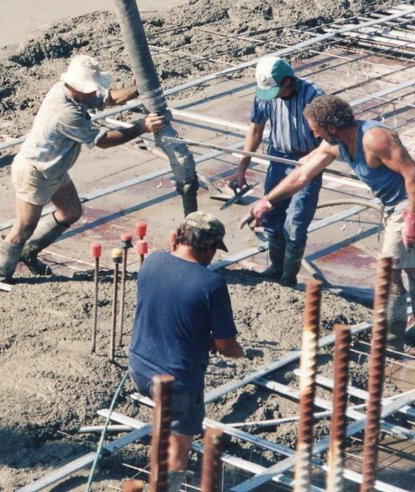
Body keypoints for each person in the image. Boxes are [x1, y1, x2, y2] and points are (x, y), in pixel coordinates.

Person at [242, 94, 415, 349]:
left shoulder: (375, 139)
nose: (315, 137)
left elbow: (412, 173)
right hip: (392, 207)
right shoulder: (335, 144)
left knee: (388, 269)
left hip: (406, 203)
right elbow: (301, 176)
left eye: (316, 131)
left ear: (331, 128)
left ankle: (393, 333)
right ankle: (406, 320)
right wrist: (266, 202)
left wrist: (412, 217)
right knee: (409, 267)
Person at [0, 54, 165, 280]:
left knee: (71, 212)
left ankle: (28, 252)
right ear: (77, 86)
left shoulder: (73, 92)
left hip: (55, 169)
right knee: (23, 228)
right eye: (91, 88)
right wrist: (140, 127)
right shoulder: (65, 112)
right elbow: (103, 141)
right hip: (34, 172)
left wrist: (134, 90)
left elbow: (108, 97)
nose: (94, 92)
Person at [129, 211, 245, 492]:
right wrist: (237, 352)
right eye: (215, 249)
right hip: (178, 381)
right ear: (207, 246)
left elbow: (169, 312)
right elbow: (224, 344)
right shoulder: (211, 284)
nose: (213, 256)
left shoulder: (152, 261)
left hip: (140, 366)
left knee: (162, 426)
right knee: (178, 448)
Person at [233, 55, 324, 286]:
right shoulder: (264, 96)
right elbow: (255, 130)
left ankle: (288, 278)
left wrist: (311, 160)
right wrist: (242, 166)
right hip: (278, 158)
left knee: (295, 222)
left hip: (308, 162)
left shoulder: (314, 97)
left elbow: (329, 141)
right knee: (270, 215)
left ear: (288, 81)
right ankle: (275, 268)